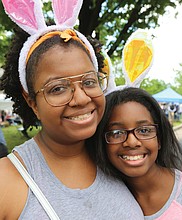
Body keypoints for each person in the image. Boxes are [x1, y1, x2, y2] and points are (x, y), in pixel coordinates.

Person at [0, 0, 144, 219]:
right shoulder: (7, 181)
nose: (80, 98)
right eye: (58, 88)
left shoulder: (122, 156)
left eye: (88, 81)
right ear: (32, 102)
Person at [93, 87, 182, 219]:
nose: (132, 142)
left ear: (159, 139)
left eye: (144, 130)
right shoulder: (102, 200)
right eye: (117, 133)